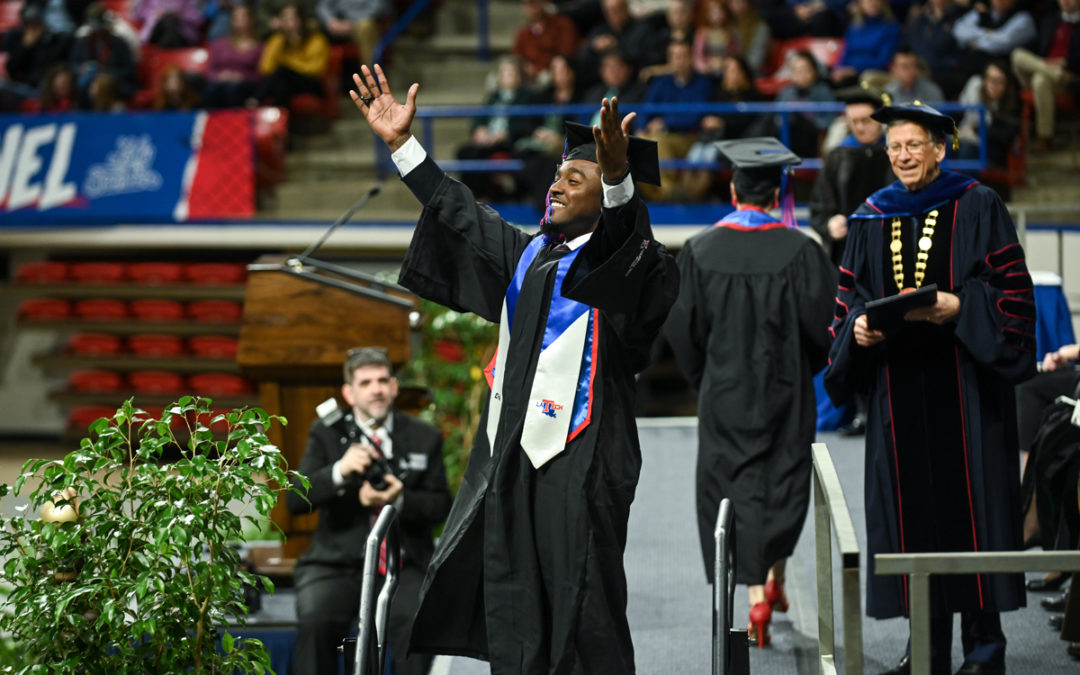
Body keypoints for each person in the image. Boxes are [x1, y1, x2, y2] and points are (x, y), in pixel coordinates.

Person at [349, 63, 678, 673]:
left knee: (585, 610)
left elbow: (626, 239)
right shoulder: (527, 257)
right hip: (513, 460)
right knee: (516, 603)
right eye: (556, 174)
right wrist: (402, 145)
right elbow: (458, 210)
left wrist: (617, 181)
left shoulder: (636, 266)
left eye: (574, 178)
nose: (555, 186)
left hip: (586, 460)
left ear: (602, 195)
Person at [824, 102, 1038, 675]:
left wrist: (962, 306)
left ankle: (985, 652)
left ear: (940, 149)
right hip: (899, 394)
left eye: (914, 145)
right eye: (894, 147)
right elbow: (847, 303)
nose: (902, 156)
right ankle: (928, 651)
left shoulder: (977, 204)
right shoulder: (870, 216)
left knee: (975, 516)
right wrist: (859, 327)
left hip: (967, 391)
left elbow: (1014, 298)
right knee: (914, 518)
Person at [663, 137, 836, 648]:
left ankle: (754, 589)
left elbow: (680, 332)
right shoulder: (803, 250)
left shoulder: (698, 250)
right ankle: (770, 584)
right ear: (774, 194)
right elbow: (826, 328)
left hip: (724, 395)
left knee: (729, 491)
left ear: (735, 190)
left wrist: (706, 380)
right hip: (785, 392)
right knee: (780, 484)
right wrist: (800, 371)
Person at [285, 346, 452, 675]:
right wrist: (339, 471)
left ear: (394, 387)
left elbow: (441, 505)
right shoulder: (326, 432)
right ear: (349, 392)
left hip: (402, 564)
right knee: (317, 620)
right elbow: (295, 500)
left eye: (382, 380)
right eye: (365, 383)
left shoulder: (424, 436)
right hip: (336, 563)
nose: (376, 389)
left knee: (417, 623)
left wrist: (400, 500)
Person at [810, 85, 894, 266]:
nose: (859, 127)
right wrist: (829, 224)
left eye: (865, 120)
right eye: (853, 121)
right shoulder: (838, 156)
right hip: (848, 253)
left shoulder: (895, 154)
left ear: (880, 119)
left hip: (891, 248)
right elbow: (819, 206)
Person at [1010, 0, 1080, 153]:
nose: (1066, 2)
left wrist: (1065, 63)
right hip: (1053, 71)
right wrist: (1048, 66)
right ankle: (1052, 72)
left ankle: (1045, 138)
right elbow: (1035, 46)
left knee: (1040, 80)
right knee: (1017, 55)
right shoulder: (1050, 21)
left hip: (1066, 78)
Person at [251, 2, 329, 108]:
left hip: (311, 82)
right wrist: (282, 41)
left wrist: (289, 66)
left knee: (283, 72)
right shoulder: (277, 40)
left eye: (292, 18)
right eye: (285, 19)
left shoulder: (316, 39)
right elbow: (265, 68)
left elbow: (316, 69)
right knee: (281, 84)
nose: (289, 22)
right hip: (285, 81)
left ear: (301, 20)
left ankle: (255, 100)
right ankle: (282, 120)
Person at [203, 2, 263, 109]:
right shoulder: (219, 44)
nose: (240, 21)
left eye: (243, 17)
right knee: (211, 90)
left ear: (252, 20)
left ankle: (234, 122)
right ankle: (212, 122)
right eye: (236, 17)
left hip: (245, 86)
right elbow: (209, 71)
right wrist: (219, 76)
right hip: (219, 84)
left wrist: (242, 77)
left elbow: (261, 75)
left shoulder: (259, 47)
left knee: (232, 89)